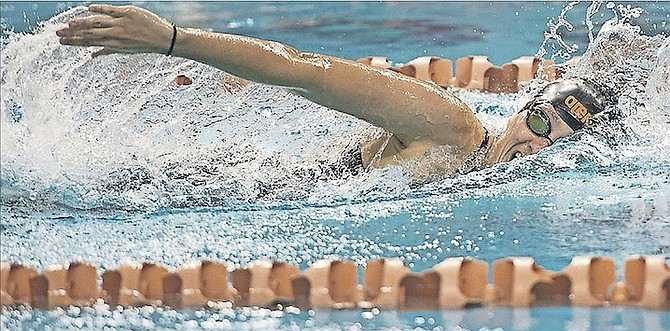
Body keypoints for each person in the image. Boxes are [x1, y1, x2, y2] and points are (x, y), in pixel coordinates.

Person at [56, 4, 609, 180]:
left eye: (559, 145)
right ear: (525, 109)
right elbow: (307, 70)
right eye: (542, 125)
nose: (539, 148)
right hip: (217, 187)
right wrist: (173, 39)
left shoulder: (470, 169)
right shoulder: (454, 126)